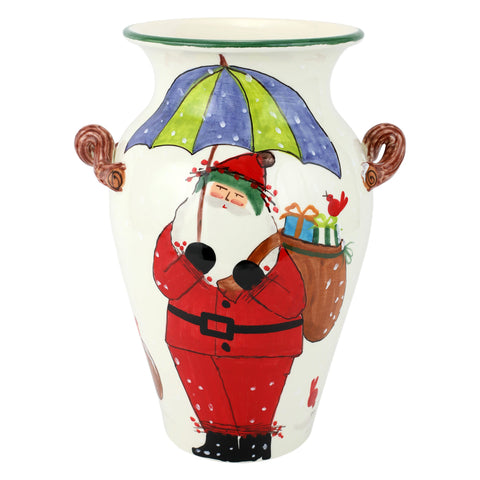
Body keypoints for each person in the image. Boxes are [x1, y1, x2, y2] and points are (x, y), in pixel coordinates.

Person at [152, 151, 306, 461]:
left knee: (255, 397)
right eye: (219, 190)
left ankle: (257, 442)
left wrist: (257, 283)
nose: (225, 200)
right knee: (206, 391)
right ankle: (217, 439)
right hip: (193, 341)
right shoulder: (180, 232)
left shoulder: (273, 247)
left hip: (261, 346)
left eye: (237, 197)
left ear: (254, 207)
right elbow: (165, 279)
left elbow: (292, 300)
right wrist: (190, 265)